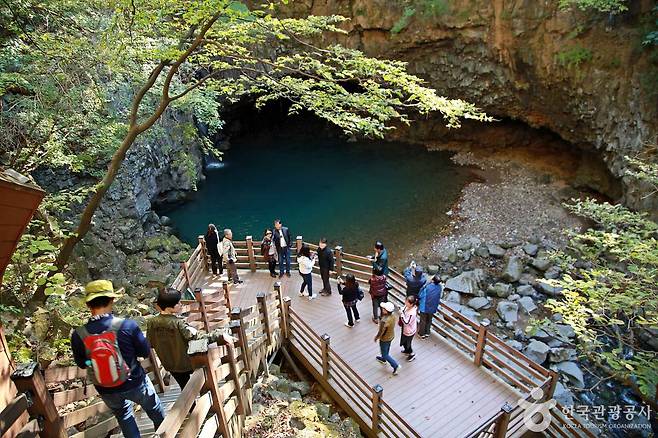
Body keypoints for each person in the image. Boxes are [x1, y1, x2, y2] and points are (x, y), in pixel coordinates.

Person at [71, 280, 165, 438]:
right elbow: (144, 351)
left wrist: (91, 362)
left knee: (124, 415)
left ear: (88, 305)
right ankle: (166, 434)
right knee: (154, 408)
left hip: (106, 388)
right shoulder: (127, 326)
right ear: (111, 300)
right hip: (134, 381)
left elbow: (81, 363)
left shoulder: (79, 334)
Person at [146, 288, 199, 390]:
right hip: (186, 362)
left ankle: (189, 401)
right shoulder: (178, 323)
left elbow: (150, 342)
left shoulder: (151, 322)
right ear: (169, 307)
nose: (181, 304)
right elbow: (194, 336)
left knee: (184, 387)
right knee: (199, 383)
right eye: (178, 303)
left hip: (169, 364)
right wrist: (217, 335)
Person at [374, 302, 400, 375]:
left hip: (384, 339)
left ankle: (395, 365)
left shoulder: (384, 321)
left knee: (384, 353)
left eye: (383, 309)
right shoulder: (393, 316)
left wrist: (377, 337)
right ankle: (384, 359)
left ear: (386, 311)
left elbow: (381, 331)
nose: (382, 309)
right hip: (391, 336)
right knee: (387, 348)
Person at [418, 274, 442, 339]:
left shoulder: (427, 287)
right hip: (433, 307)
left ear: (433, 280)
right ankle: (427, 332)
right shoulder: (440, 287)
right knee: (429, 320)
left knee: (423, 320)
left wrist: (428, 283)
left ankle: (422, 334)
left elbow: (420, 295)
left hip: (424, 306)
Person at [399, 295, 418, 361]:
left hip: (409, 331)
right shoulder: (408, 307)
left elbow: (406, 322)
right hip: (406, 329)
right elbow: (404, 309)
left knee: (407, 343)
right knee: (404, 341)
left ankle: (411, 353)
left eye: (407, 302)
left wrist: (401, 314)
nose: (405, 303)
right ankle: (407, 351)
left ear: (411, 304)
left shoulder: (412, 313)